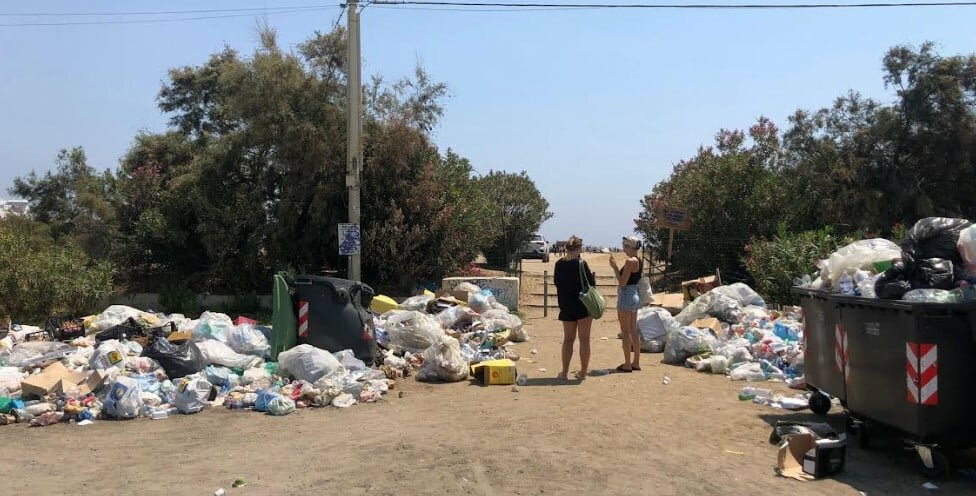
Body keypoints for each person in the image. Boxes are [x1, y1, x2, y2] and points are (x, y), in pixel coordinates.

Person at [553, 235, 596, 380]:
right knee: (584, 340)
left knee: (568, 340)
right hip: (583, 305)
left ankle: (564, 372)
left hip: (566, 305)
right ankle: (583, 372)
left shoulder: (559, 264)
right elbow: (591, 284)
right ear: (578, 248)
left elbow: (557, 283)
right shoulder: (581, 264)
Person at [609, 236, 644, 372]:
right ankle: (636, 362)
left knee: (625, 331)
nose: (623, 248)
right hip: (634, 294)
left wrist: (615, 267)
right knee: (633, 330)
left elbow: (622, 282)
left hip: (627, 295)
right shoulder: (638, 261)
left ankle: (627, 363)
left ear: (630, 246)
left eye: (625, 245)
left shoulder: (630, 261)